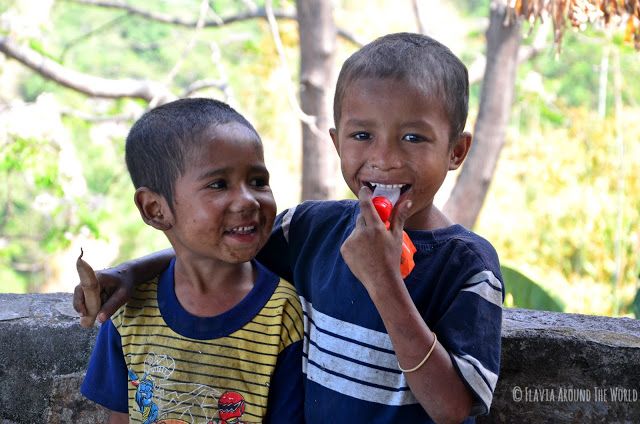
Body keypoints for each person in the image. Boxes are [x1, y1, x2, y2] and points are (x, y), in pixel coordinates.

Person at [76, 33, 503, 423]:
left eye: (413, 138)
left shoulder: (467, 264)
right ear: (336, 143)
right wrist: (134, 273)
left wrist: (385, 282)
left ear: (456, 150)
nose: (384, 157)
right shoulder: (312, 229)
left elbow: (453, 408)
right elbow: (215, 248)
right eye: (362, 136)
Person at [80, 98, 304, 424]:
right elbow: (122, 415)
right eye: (219, 184)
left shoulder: (282, 313)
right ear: (155, 209)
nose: (248, 200)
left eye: (258, 181)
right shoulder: (129, 312)